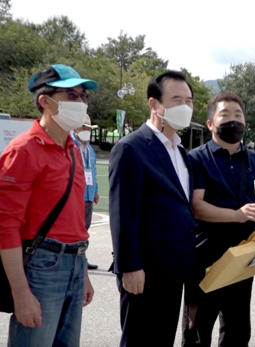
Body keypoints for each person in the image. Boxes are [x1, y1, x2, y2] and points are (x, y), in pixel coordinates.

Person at [0, 64, 96, 346]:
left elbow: (75, 219)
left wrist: (83, 273)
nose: (81, 103)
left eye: (83, 97)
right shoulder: (23, 149)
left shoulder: (74, 149)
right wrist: (20, 292)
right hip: (42, 265)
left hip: (74, 263)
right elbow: (6, 225)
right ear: (45, 101)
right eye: (72, 96)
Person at [109, 71, 197, 346]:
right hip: (144, 273)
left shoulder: (181, 151)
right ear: (154, 104)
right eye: (176, 99)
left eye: (189, 100)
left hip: (174, 271)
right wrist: (130, 267)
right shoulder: (132, 148)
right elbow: (122, 214)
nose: (185, 106)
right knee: (139, 339)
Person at [186, 92, 255, 347]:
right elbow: (196, 206)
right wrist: (236, 215)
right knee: (197, 332)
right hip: (204, 259)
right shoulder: (197, 158)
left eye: (239, 115)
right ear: (211, 123)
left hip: (242, 260)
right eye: (225, 115)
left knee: (237, 332)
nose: (233, 120)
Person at [71, 114, 100, 270]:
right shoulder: (70, 144)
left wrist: (95, 190)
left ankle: (82, 258)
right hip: (75, 196)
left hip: (88, 195)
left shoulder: (89, 148)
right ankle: (71, 258)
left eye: (89, 128)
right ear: (75, 127)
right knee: (73, 229)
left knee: (84, 229)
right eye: (84, 127)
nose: (86, 131)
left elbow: (92, 170)